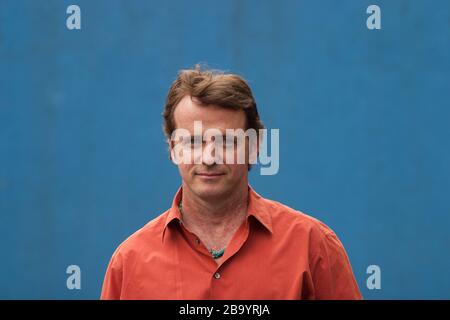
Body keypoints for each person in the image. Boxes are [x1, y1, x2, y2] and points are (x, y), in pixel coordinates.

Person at [101, 65, 362, 299]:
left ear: (255, 146)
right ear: (172, 149)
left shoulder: (312, 245)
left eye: (226, 141)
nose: (209, 157)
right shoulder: (130, 262)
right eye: (193, 141)